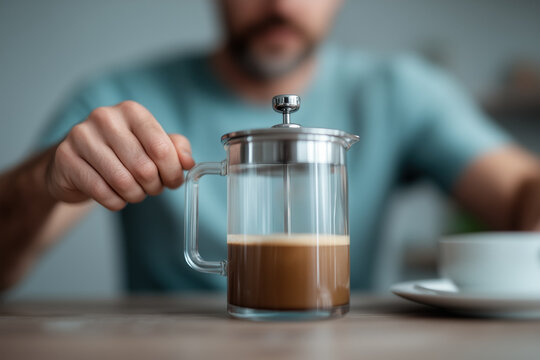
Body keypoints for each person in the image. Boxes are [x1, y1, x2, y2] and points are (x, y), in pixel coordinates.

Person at [1, 0, 539, 293]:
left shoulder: (402, 91)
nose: (280, 3)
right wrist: (45, 177)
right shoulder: (119, 98)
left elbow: (520, 191)